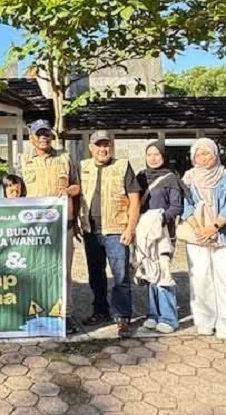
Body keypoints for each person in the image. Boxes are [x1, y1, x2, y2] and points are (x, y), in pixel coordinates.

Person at [78, 130, 141, 337]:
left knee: (121, 275)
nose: (102, 149)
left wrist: (131, 228)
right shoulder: (83, 167)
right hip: (91, 231)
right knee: (95, 275)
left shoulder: (122, 166)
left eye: (106, 145)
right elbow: (77, 196)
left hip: (116, 231)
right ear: (91, 147)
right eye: (98, 145)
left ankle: (123, 316)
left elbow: (134, 198)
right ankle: (100, 311)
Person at [21, 119, 81, 332]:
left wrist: (69, 191)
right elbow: (16, 192)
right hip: (35, 229)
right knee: (36, 272)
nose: (44, 137)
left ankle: (65, 315)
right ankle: (37, 314)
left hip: (62, 226)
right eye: (39, 134)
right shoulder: (23, 161)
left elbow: (77, 186)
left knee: (62, 272)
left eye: (47, 133)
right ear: (31, 138)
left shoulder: (65, 158)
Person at [181, 138, 226, 340]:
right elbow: (185, 205)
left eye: (207, 153)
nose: (202, 158)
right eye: (198, 154)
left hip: (225, 235)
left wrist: (214, 226)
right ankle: (205, 320)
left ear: (215, 154)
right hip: (196, 234)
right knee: (200, 278)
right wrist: (199, 228)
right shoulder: (188, 178)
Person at [135, 141, 184, 334]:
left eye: (157, 154)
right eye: (149, 155)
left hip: (162, 232)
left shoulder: (170, 178)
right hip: (143, 233)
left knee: (163, 272)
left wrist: (160, 218)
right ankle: (153, 314)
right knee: (149, 270)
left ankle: (169, 318)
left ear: (164, 156)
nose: (153, 158)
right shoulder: (140, 177)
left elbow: (176, 206)